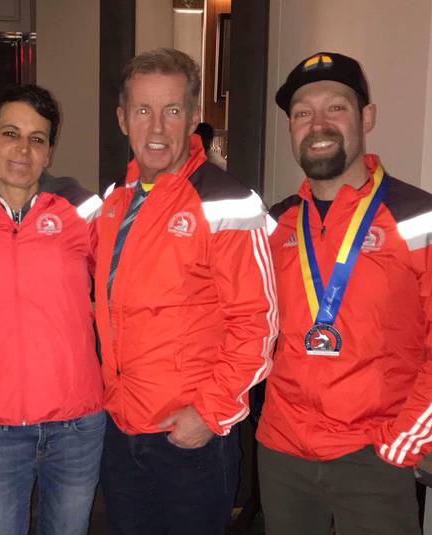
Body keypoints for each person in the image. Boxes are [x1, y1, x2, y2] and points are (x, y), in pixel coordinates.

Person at [258, 51, 432, 535]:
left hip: (373, 457)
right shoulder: (275, 223)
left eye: (337, 108)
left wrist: (401, 443)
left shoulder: (424, 219)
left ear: (366, 116)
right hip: (282, 454)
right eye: (303, 113)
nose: (319, 124)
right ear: (291, 128)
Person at [93, 48, 277, 534]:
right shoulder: (114, 202)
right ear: (122, 118)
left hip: (187, 436)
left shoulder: (226, 201)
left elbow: (257, 324)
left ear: (194, 117)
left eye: (172, 110)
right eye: (143, 110)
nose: (156, 128)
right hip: (123, 427)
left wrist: (208, 415)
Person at [0, 84, 105, 535]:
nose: (22, 149)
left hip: (77, 423)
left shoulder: (82, 210)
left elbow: (121, 288)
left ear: (49, 152)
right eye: (10, 133)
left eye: (37, 138)